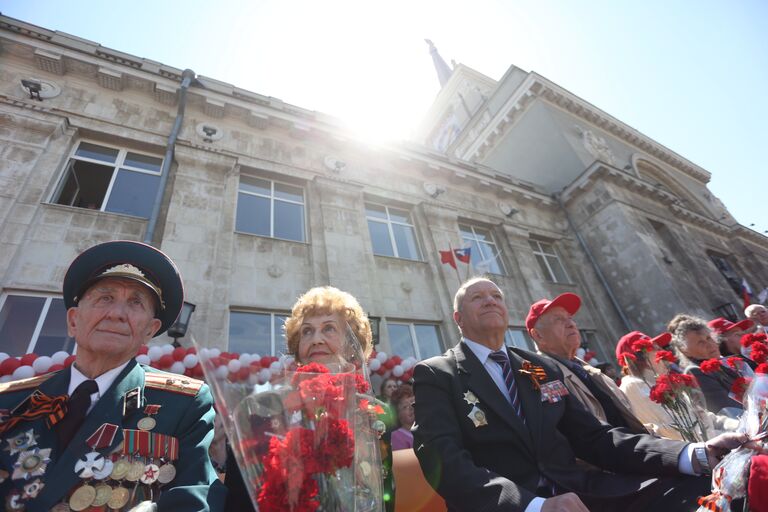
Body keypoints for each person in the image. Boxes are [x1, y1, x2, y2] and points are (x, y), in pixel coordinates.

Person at [412, 277, 760, 512]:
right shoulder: (437, 373)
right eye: (477, 297)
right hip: (513, 505)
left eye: (497, 296)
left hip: (585, 494)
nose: (490, 301)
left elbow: (595, 438)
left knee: (711, 487)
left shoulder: (535, 366)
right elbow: (445, 462)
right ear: (458, 318)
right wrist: (535, 506)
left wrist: (693, 453)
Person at [0, 240, 225, 511]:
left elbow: (194, 500)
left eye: (135, 303)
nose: (117, 314)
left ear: (149, 331)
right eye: (105, 298)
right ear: (73, 321)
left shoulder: (183, 403)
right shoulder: (12, 400)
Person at [224, 286, 391, 510]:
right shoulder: (260, 408)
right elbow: (239, 498)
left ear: (352, 345)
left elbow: (385, 494)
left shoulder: (374, 412)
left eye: (329, 328)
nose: (316, 339)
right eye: (307, 331)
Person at [527, 293, 646, 433]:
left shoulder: (589, 370)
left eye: (570, 318)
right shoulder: (543, 378)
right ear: (538, 335)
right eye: (558, 319)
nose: (571, 324)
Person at [616, 331, 738, 441]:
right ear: (639, 358)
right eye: (654, 348)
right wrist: (734, 436)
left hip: (712, 444)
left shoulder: (659, 382)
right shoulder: (633, 386)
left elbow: (705, 418)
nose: (663, 353)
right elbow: (679, 433)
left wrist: (739, 426)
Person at [670, 315, 743, 415]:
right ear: (685, 350)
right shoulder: (696, 372)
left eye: (709, 338)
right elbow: (728, 409)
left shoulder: (727, 361)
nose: (709, 344)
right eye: (700, 342)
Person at [390, 384, 415, 450]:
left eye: (413, 402)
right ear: (398, 415)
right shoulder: (397, 436)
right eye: (405, 406)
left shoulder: (427, 428)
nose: (411, 407)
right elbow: (404, 461)